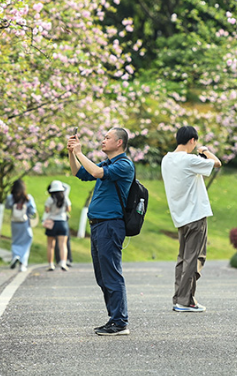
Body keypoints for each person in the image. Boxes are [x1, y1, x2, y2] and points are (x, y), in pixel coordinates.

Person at [68, 127, 134, 336]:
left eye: (107, 138)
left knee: (111, 273)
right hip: (98, 225)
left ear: (119, 143)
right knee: (102, 276)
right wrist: (72, 153)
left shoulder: (124, 165)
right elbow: (78, 172)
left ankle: (120, 322)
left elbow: (96, 173)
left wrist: (79, 153)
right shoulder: (107, 163)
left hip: (110, 225)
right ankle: (114, 318)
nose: (103, 141)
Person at [161, 126, 221, 313]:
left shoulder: (167, 159)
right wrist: (205, 151)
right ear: (192, 140)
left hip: (180, 216)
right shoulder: (189, 159)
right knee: (194, 258)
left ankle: (180, 298)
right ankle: (185, 302)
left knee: (183, 258)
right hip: (195, 215)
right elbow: (217, 163)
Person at [5, 179, 37, 273]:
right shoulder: (28, 198)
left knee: (15, 241)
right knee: (26, 242)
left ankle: (15, 256)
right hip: (25, 223)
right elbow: (32, 211)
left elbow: (7, 206)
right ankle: (22, 263)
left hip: (14, 222)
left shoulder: (10, 197)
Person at [43, 180, 72, 271]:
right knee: (63, 244)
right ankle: (63, 263)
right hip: (62, 222)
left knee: (50, 245)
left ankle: (51, 264)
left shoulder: (50, 199)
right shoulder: (65, 198)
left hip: (52, 223)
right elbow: (69, 209)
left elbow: (47, 210)